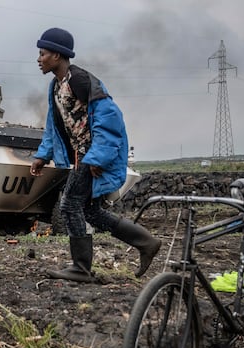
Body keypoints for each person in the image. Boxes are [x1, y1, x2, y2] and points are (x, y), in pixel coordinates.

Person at [30, 28, 161, 283]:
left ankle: (81, 268)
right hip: (83, 157)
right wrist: (43, 155)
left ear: (56, 55)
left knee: (69, 205)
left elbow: (110, 118)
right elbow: (54, 124)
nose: (39, 58)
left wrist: (97, 158)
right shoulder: (56, 85)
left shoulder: (80, 80)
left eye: (42, 53)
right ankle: (146, 242)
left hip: (91, 157)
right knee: (90, 211)